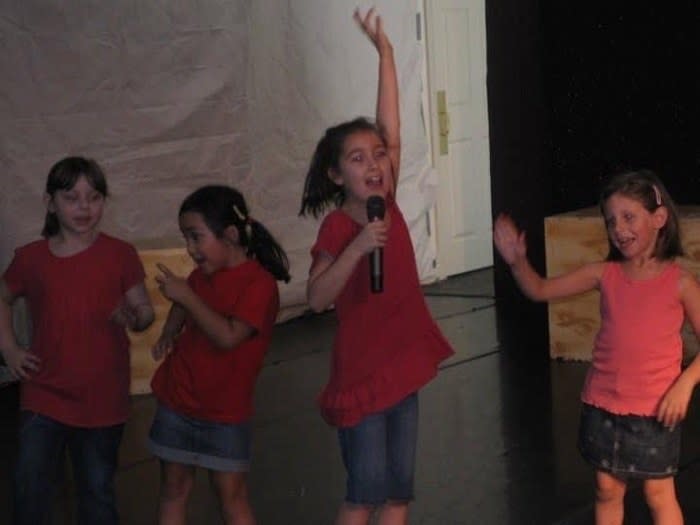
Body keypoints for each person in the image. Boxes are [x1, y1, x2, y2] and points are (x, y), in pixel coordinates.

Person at [299, 9, 454, 525]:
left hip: (401, 367)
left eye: (379, 155)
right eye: (358, 159)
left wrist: (387, 54)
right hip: (363, 373)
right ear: (335, 173)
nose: (374, 164)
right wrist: (359, 247)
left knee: (397, 493)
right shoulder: (341, 228)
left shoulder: (387, 202)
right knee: (363, 494)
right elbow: (317, 297)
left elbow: (390, 123)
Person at [493, 169, 700, 524]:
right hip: (603, 406)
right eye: (611, 221)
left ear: (659, 218)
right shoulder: (604, 274)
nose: (619, 228)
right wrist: (517, 262)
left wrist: (684, 384)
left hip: (655, 409)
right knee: (606, 490)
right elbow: (540, 289)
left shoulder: (680, 283)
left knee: (658, 493)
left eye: (629, 217)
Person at [0, 156, 155, 525]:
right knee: (30, 486)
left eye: (94, 196)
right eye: (72, 197)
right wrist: (8, 348)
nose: (84, 207)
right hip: (44, 393)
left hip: (102, 397)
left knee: (97, 490)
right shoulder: (31, 258)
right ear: (51, 202)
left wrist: (135, 316)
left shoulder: (121, 254)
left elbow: (144, 310)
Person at [148, 185, 290, 525]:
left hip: (226, 412)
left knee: (232, 497)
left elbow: (228, 337)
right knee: (174, 490)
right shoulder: (200, 278)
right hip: (178, 400)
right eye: (186, 238)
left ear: (229, 234)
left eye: (196, 237)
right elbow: (184, 305)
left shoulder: (259, 285)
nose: (190, 248)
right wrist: (170, 331)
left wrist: (187, 296)